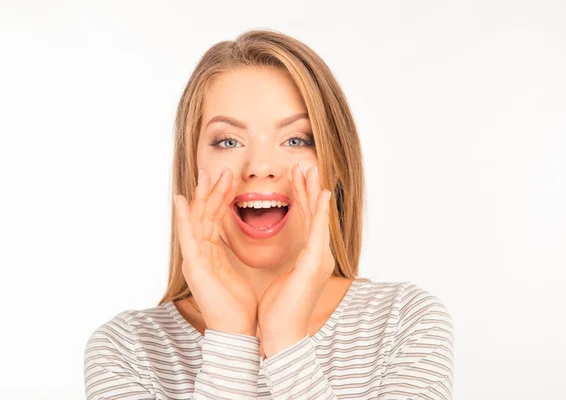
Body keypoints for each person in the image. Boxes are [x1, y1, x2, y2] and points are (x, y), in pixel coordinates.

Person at [84, 29, 454, 399]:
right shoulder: (127, 350)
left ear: (336, 165)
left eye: (296, 140)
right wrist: (230, 336)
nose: (260, 166)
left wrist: (286, 342)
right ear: (192, 165)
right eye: (228, 141)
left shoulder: (406, 323)